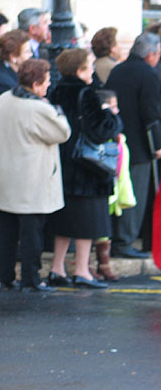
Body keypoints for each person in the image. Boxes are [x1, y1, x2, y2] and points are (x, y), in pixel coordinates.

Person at [0, 59, 71, 292]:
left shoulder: (4, 99)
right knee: (32, 233)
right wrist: (58, 111)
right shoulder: (40, 109)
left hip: (4, 177)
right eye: (46, 81)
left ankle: (4, 277)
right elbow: (62, 132)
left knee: (6, 231)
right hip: (32, 180)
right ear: (35, 83)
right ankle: (31, 279)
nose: (49, 85)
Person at [48, 49, 122, 288]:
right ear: (80, 70)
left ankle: (57, 269)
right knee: (87, 222)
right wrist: (112, 116)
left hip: (61, 164)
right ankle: (82, 271)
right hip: (87, 167)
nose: (92, 70)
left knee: (64, 222)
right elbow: (101, 129)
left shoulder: (55, 90)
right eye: (89, 66)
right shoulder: (86, 93)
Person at [105, 32, 161, 258]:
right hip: (139, 146)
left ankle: (119, 238)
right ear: (149, 55)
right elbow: (152, 114)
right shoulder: (148, 74)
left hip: (117, 140)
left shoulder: (118, 69)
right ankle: (125, 241)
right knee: (135, 195)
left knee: (120, 192)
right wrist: (157, 144)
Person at [95, 89, 135, 281]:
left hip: (114, 182)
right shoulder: (101, 127)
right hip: (100, 181)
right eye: (112, 107)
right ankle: (95, 264)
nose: (116, 111)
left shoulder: (116, 131)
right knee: (96, 225)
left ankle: (103, 264)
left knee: (106, 225)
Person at [0, 29, 31, 110]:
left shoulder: (15, 72)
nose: (31, 55)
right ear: (13, 57)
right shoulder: (2, 82)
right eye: (27, 52)